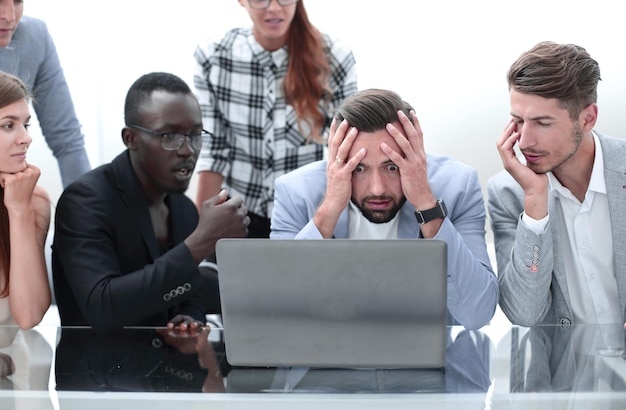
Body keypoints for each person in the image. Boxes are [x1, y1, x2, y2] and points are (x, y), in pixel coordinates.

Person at [270, 89, 499, 330]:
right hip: (327, 358)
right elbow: (280, 313)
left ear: (416, 155)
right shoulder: (295, 192)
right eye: (359, 168)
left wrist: (426, 204)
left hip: (430, 362)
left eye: (392, 167)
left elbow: (478, 313)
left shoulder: (458, 187)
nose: (377, 189)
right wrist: (329, 209)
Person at [52, 72, 250, 334]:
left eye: (195, 135)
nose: (188, 150)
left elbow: (189, 292)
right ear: (130, 139)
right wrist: (202, 241)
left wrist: (189, 316)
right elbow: (102, 307)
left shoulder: (183, 208)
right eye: (170, 136)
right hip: (98, 370)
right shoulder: (85, 201)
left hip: (167, 370)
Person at [487, 41, 626, 327]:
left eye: (543, 123)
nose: (524, 141)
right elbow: (524, 313)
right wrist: (535, 205)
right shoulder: (508, 192)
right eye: (517, 121)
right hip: (564, 369)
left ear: (587, 118)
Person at [193, 0, 358, 238]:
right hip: (238, 215)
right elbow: (214, 151)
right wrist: (201, 239)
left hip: (308, 216)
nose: (273, 8)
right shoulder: (214, 58)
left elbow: (347, 151)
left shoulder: (335, 58)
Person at [0, 0, 90, 187]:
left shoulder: (34, 37)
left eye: (17, 1)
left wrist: (86, 210)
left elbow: (66, 138)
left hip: (10, 191)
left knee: (40, 204)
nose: (10, 16)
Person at [0, 71, 51, 329]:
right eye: (9, 125)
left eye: (25, 124)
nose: (27, 138)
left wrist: (19, 212)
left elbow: (30, 316)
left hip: (15, 365)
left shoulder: (34, 201)